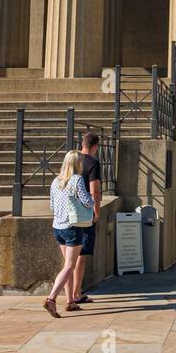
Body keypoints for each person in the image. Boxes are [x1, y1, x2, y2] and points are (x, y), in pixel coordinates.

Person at [45, 150, 95, 317]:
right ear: (77, 163)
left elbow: (52, 206)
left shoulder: (55, 181)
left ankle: (70, 302)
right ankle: (51, 299)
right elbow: (87, 202)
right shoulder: (77, 179)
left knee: (67, 265)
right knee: (69, 266)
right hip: (72, 227)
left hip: (57, 227)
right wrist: (92, 199)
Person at [69, 131, 103, 305]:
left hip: (67, 212)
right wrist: (97, 211)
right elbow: (94, 190)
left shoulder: (72, 160)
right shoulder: (93, 163)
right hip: (84, 213)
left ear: (82, 143)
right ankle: (76, 291)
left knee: (69, 254)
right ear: (95, 146)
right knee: (81, 254)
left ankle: (71, 294)